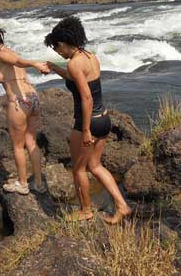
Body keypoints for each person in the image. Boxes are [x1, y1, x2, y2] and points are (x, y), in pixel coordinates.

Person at [45, 16, 131, 223]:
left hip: (88, 122)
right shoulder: (89, 56)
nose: (58, 53)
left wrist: (85, 130)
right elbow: (78, 79)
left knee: (79, 169)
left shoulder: (75, 63)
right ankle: (122, 206)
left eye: (57, 49)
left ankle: (85, 210)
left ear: (63, 43)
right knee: (96, 166)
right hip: (103, 118)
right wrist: (56, 69)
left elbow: (86, 97)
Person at [0, 26, 48, 195]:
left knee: (18, 146)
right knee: (31, 142)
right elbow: (16, 67)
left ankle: (23, 183)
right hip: (33, 98)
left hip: (19, 102)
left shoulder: (2, 54)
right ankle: (38, 183)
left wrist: (34, 63)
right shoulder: (10, 51)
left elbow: (18, 63)